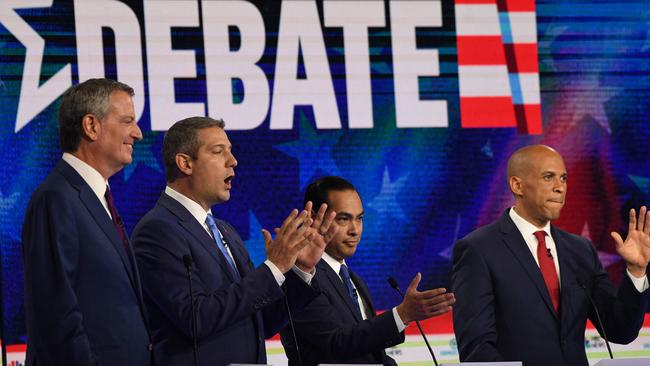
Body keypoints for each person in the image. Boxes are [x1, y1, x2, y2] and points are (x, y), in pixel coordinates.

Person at [131, 116, 337, 366]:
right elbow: (196, 318)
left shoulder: (225, 231)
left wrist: (300, 269)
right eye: (219, 152)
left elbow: (260, 320)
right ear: (185, 163)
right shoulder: (157, 231)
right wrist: (273, 268)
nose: (233, 161)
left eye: (231, 151)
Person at [451, 144, 650, 366]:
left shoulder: (580, 250)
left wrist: (636, 271)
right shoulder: (478, 249)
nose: (560, 188)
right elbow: (476, 348)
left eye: (563, 178)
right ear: (518, 185)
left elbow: (620, 330)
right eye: (548, 177)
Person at [22, 78, 152, 365]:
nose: (138, 133)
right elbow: (55, 315)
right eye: (128, 121)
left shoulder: (96, 197)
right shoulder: (55, 199)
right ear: (91, 126)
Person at [280, 176, 456, 365]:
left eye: (359, 218)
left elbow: (369, 354)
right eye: (344, 219)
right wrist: (402, 314)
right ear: (315, 218)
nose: (355, 230)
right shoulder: (300, 278)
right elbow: (337, 344)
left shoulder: (354, 281)